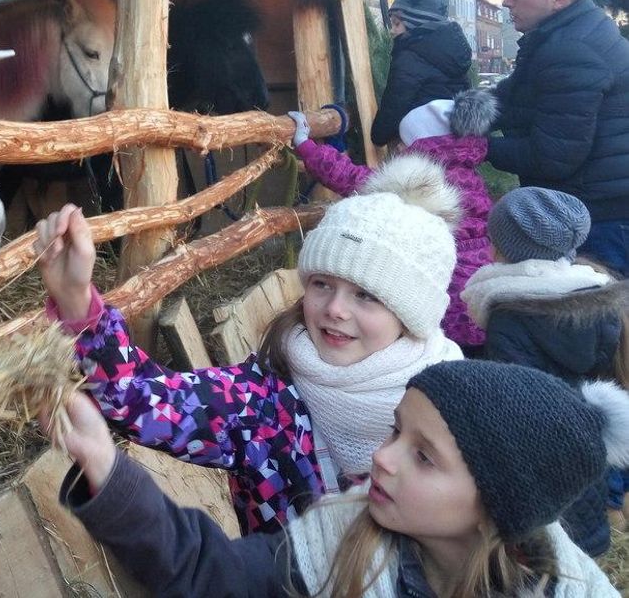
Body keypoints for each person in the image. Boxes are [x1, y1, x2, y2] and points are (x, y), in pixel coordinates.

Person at [33, 161, 463, 534]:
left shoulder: (454, 410)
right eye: (321, 284)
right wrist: (76, 300)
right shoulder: (261, 406)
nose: (335, 309)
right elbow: (142, 396)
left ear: (412, 315)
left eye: (365, 295)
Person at [46, 359, 625, 597]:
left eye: (424, 457)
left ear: (497, 504)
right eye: (396, 433)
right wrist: (111, 473)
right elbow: (209, 573)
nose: (384, 459)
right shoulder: (340, 541)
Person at [464, 186, 629, 555]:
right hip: (594, 456)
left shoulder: (509, 314)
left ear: (504, 248)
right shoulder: (600, 293)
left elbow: (515, 405)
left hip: (547, 478)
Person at [289, 89, 495, 350]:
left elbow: (352, 178)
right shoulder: (470, 177)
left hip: (447, 295)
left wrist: (307, 146)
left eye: (404, 143)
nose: (398, 148)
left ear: (420, 144)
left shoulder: (417, 182)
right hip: (480, 291)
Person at [489, 0, 629, 274]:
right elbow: (515, 101)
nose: (508, 1)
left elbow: (552, 156)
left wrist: (476, 147)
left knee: (600, 317)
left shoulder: (570, 48)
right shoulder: (566, 35)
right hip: (602, 206)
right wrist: (462, 113)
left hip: (600, 218)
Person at [370, 0, 472, 147]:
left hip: (420, 143)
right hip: (452, 142)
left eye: (396, 23)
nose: (392, 31)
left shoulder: (410, 56)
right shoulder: (452, 51)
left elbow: (395, 102)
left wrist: (378, 135)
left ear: (415, 23)